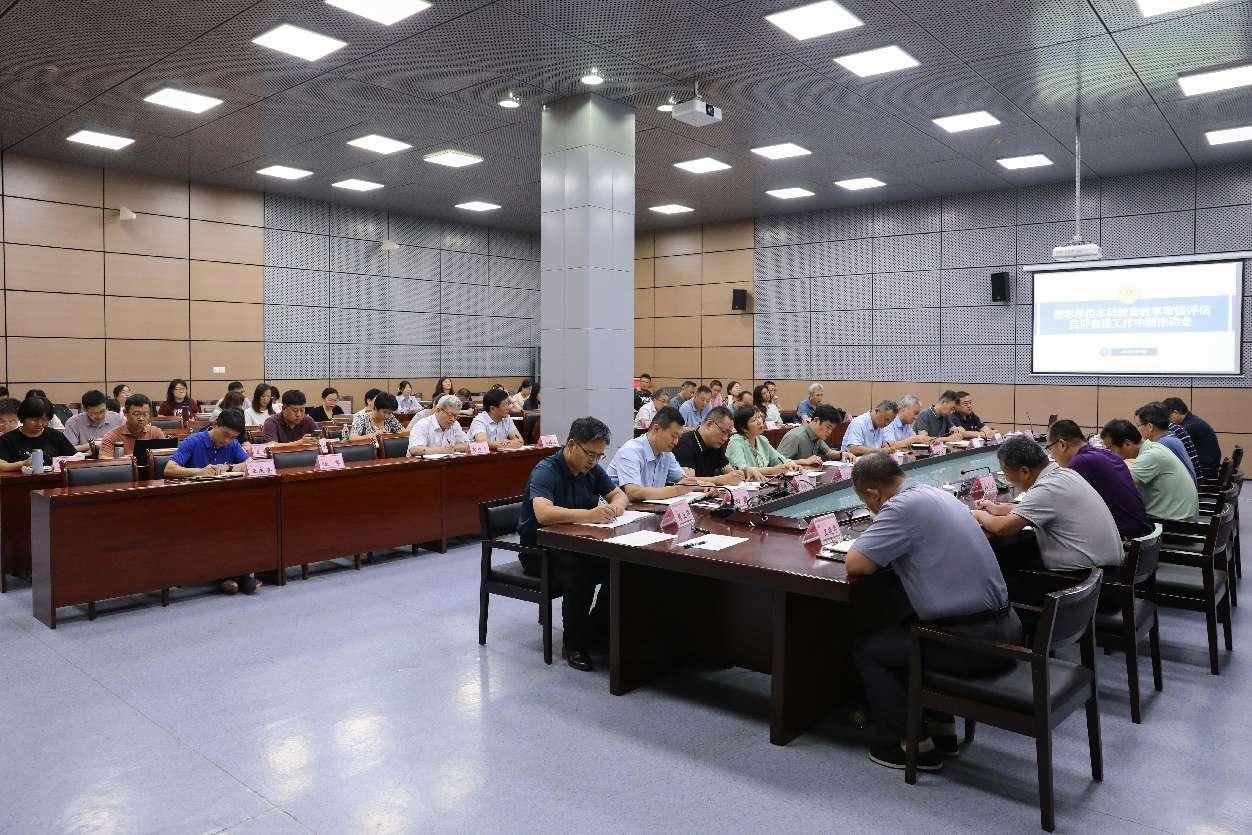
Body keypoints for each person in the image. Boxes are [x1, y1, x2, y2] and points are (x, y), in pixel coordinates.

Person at [845, 453, 1019, 771]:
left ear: (872, 493)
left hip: (972, 645)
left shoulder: (900, 507)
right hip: (1008, 629)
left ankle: (911, 745)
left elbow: (856, 564)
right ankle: (942, 732)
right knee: (909, 623)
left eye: (866, 501)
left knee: (871, 650)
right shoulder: (937, 494)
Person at [518, 417, 630, 671]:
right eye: (590, 454)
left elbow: (619, 494)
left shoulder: (592, 470)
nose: (594, 461)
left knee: (619, 566)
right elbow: (543, 513)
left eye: (599, 456)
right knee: (580, 572)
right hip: (538, 550)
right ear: (571, 445)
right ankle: (574, 645)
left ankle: (596, 631)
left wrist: (616, 506)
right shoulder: (547, 470)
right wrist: (589, 515)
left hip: (577, 543)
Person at [972, 435, 1124, 570]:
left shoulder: (1046, 488)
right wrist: (998, 509)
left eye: (1006, 475)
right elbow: (1040, 508)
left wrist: (977, 514)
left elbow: (1003, 528)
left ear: (1024, 471)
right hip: (1103, 567)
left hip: (1085, 577)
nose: (1007, 480)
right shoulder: (1064, 474)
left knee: (1007, 565)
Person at [1045, 419, 1150, 538]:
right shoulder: (1106, 454)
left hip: (1125, 539)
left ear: (1062, 444)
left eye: (1049, 448)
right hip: (1141, 532)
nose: (1051, 455)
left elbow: (1054, 501)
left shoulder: (1081, 462)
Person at [1102, 419, 1199, 523]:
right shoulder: (1154, 447)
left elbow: (1121, 486)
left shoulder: (1151, 456)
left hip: (1174, 523)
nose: (1109, 453)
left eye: (1110, 448)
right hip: (1177, 516)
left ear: (1127, 444)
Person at [606, 406, 709, 501]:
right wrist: (677, 489)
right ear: (656, 429)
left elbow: (685, 481)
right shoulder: (631, 451)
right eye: (673, 436)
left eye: (678, 437)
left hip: (647, 509)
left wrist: (707, 486)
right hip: (619, 511)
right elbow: (633, 492)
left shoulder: (666, 453)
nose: (676, 442)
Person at [672, 406, 760, 484]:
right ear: (709, 424)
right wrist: (721, 479)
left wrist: (744, 472)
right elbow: (688, 482)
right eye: (723, 432)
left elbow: (730, 472)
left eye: (728, 434)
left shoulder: (716, 445)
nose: (725, 438)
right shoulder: (685, 443)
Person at [0, 396, 76, 470]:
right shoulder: (7, 439)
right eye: (34, 420)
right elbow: (2, 465)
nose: (39, 424)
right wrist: (22, 464)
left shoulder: (55, 435)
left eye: (44, 420)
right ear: (23, 418)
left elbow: (73, 457)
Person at [725, 405, 801, 477]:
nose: (760, 421)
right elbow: (742, 470)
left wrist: (790, 464)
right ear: (743, 428)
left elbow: (778, 458)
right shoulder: (735, 442)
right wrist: (772, 470)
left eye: (759, 417)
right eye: (754, 420)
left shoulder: (762, 439)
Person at [1134, 402, 1196, 480]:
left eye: (1138, 425)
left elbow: (1137, 474)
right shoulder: (1171, 438)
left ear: (1150, 427)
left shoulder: (1163, 444)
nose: (1138, 429)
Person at [1162, 397, 1221, 479]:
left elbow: (1174, 451)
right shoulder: (1193, 421)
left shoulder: (1189, 427)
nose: (1168, 422)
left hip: (1204, 472)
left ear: (1175, 413)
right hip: (1208, 469)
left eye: (1167, 418)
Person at [777, 404, 851, 463]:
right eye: (828, 427)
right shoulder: (795, 436)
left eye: (832, 429)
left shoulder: (817, 435)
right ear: (816, 420)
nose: (830, 432)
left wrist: (842, 454)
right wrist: (805, 461)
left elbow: (828, 452)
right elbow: (778, 463)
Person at [101, 394, 166, 457]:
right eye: (136, 414)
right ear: (125, 413)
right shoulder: (112, 437)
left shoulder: (156, 433)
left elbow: (166, 456)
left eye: (145, 414)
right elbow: (106, 460)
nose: (141, 418)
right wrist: (135, 457)